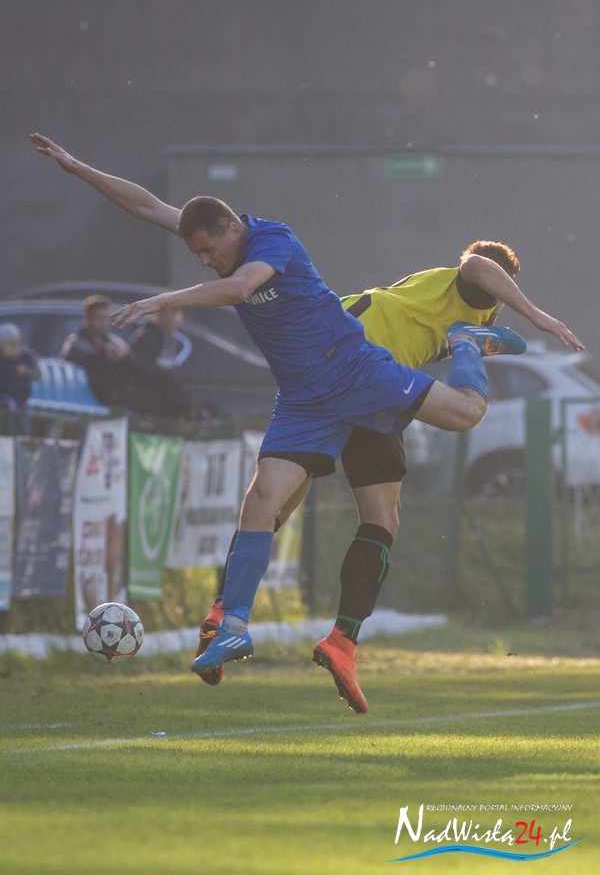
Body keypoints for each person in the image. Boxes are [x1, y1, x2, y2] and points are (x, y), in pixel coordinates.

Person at [32, 132, 529, 715]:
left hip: (356, 372)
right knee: (268, 500)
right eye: (196, 253)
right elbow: (147, 205)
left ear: (230, 231)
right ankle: (242, 623)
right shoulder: (459, 287)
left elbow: (239, 284)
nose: (202, 259)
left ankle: (305, 631)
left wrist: (165, 300)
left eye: (206, 251)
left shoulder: (274, 240)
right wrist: (77, 167)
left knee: (429, 452)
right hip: (318, 387)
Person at [194, 240, 585, 703]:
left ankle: (240, 617)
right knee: (459, 419)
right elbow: (478, 264)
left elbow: (496, 327)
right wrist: (535, 315)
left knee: (297, 505)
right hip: (361, 369)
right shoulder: (471, 291)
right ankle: (330, 637)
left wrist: (488, 340)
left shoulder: (430, 297)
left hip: (344, 374)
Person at [61, 294, 193, 419]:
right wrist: (103, 354)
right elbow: (81, 367)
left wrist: (122, 357)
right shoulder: (77, 343)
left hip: (120, 391)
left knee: (165, 387)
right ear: (87, 318)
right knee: (153, 400)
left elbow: (135, 368)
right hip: (98, 394)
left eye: (105, 318)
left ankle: (184, 418)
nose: (102, 322)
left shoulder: (114, 342)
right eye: (98, 317)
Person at [0, 322, 41, 434]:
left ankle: (23, 436)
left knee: (22, 415)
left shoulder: (25, 356)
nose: (13, 349)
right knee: (8, 407)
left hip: (22, 398)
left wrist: (26, 371)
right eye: (10, 345)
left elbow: (38, 374)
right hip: (4, 397)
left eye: (16, 345)